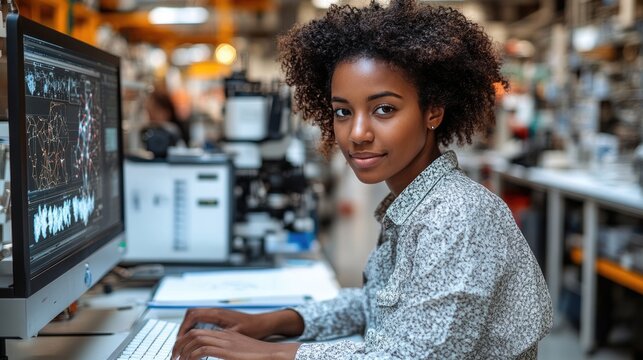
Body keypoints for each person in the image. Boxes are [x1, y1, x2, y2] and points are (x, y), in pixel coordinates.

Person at [172, 1, 553, 359]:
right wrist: (269, 322)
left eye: (384, 109)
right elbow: (374, 304)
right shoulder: (415, 202)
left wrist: (271, 352)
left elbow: (412, 356)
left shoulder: (456, 216)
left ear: (433, 111)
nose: (357, 133)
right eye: (342, 111)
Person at [141, 89, 186, 158]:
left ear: (166, 111)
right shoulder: (148, 130)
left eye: (154, 111)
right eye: (149, 111)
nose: (151, 115)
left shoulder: (171, 130)